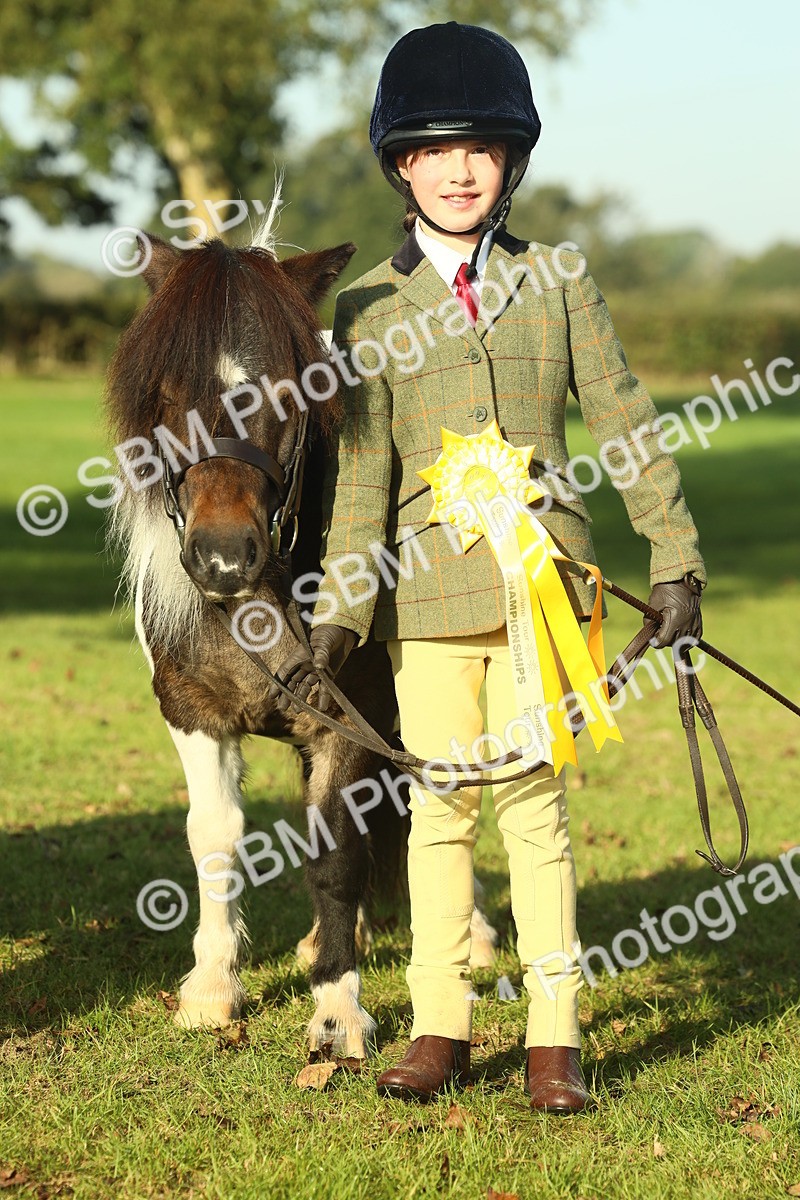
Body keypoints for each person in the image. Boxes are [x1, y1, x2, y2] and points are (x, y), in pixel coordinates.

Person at [272, 21, 705, 1113]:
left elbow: (626, 426)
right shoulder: (367, 306)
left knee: (535, 810)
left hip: (541, 598)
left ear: (509, 160)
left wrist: (675, 564)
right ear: (400, 164)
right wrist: (333, 620)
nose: (457, 168)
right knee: (438, 810)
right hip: (426, 604)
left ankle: (554, 1038)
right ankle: (438, 1028)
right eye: (432, 149)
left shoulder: (558, 281)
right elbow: (362, 480)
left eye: (479, 148)